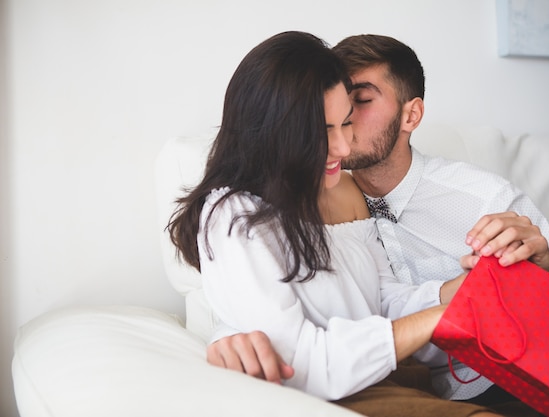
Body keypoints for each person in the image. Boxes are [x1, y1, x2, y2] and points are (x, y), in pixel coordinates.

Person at [205, 34, 549, 416]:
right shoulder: (282, 204)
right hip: (415, 388)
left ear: (412, 115)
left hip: (512, 370)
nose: (344, 142)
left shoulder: (483, 197)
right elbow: (255, 297)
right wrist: (226, 331)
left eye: (355, 110)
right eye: (328, 121)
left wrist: (536, 272)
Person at [167, 31, 503, 417]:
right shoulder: (233, 216)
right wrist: (439, 317)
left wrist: (454, 295)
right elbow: (302, 362)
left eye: (346, 123)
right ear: (277, 131)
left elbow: (380, 300)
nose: (344, 148)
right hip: (335, 395)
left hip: (398, 376)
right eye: (325, 132)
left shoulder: (343, 191)